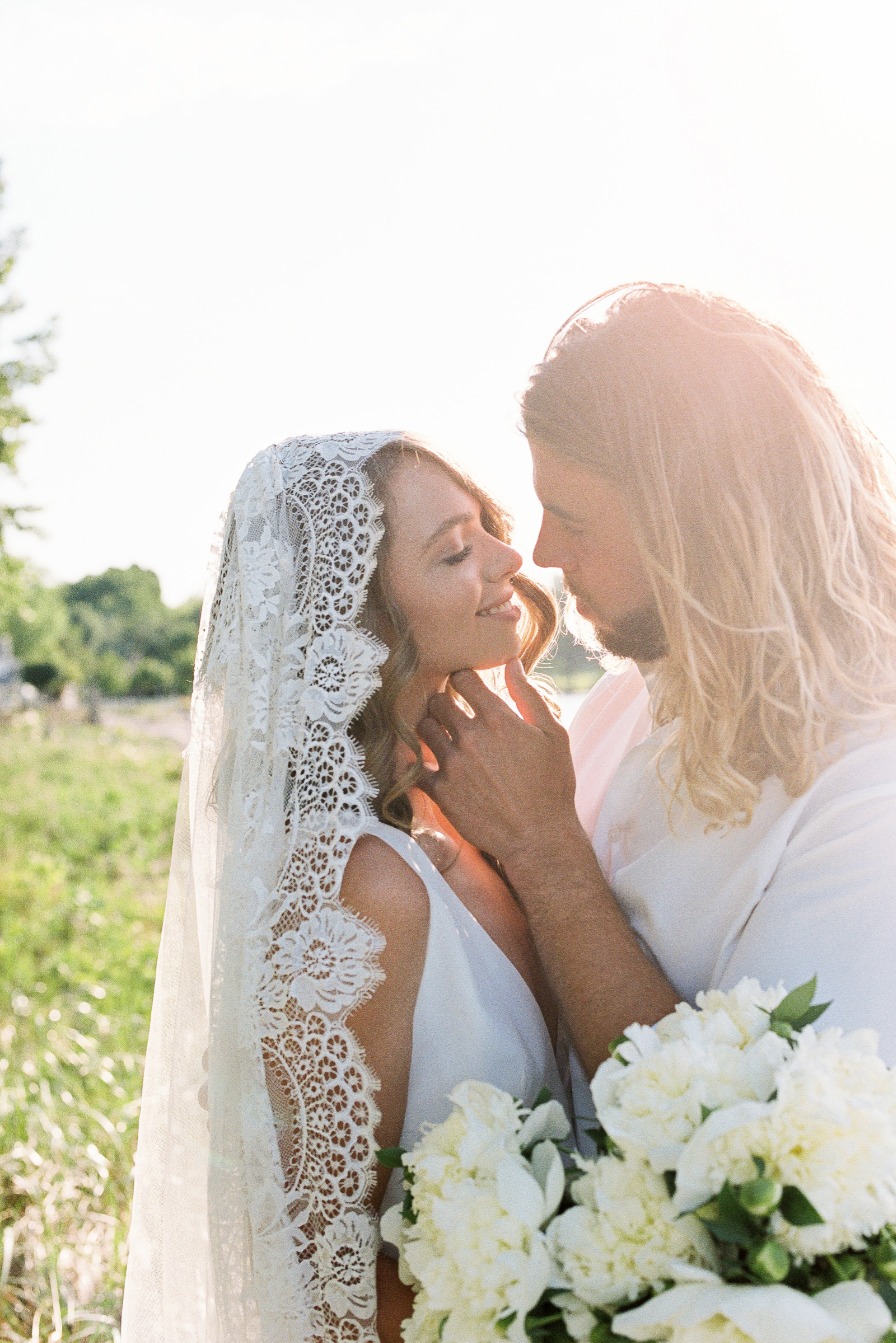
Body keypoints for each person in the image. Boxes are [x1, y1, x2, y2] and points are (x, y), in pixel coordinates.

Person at [416, 284, 896, 1339]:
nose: (543, 550)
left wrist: (546, 848)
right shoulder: (638, 690)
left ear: (702, 517)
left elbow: (746, 1147)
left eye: (577, 516)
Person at [120, 432, 566, 1343]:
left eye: (487, 527)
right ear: (362, 624)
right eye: (453, 551)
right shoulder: (355, 891)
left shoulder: (464, 813)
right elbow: (316, 1281)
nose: (510, 559)